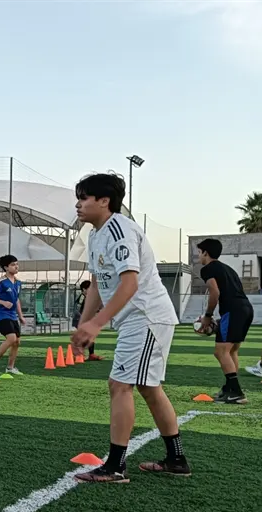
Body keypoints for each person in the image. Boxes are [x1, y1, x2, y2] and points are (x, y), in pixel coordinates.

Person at [71, 172, 189, 483]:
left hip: (146, 316)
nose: (78, 204)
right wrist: (83, 324)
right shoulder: (95, 235)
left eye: (84, 198)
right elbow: (97, 283)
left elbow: (130, 282)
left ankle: (115, 466)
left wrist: (97, 323)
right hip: (138, 319)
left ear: (104, 201)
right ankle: (176, 460)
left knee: (119, 385)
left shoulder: (120, 229)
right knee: (149, 388)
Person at [197, 238, 253, 404]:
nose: (198, 256)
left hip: (233, 311)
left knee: (220, 352)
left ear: (206, 253)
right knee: (231, 351)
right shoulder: (228, 269)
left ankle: (236, 391)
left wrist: (208, 316)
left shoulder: (207, 269)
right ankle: (229, 388)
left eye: (199, 252)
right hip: (246, 309)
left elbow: (215, 292)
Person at [0, 254, 25, 375]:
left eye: (17, 264)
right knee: (11, 338)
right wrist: (2, 302)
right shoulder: (0, 282)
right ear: (6, 267)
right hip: (1, 314)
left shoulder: (18, 283)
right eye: (13, 265)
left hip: (12, 315)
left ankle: (10, 368)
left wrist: (21, 316)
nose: (16, 267)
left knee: (17, 341)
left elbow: (17, 300)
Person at [73, 280, 103, 361]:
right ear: (84, 289)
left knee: (90, 337)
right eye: (89, 288)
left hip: (87, 320)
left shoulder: (89, 298)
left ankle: (91, 354)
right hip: (79, 320)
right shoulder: (82, 297)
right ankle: (78, 354)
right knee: (84, 337)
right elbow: (77, 309)